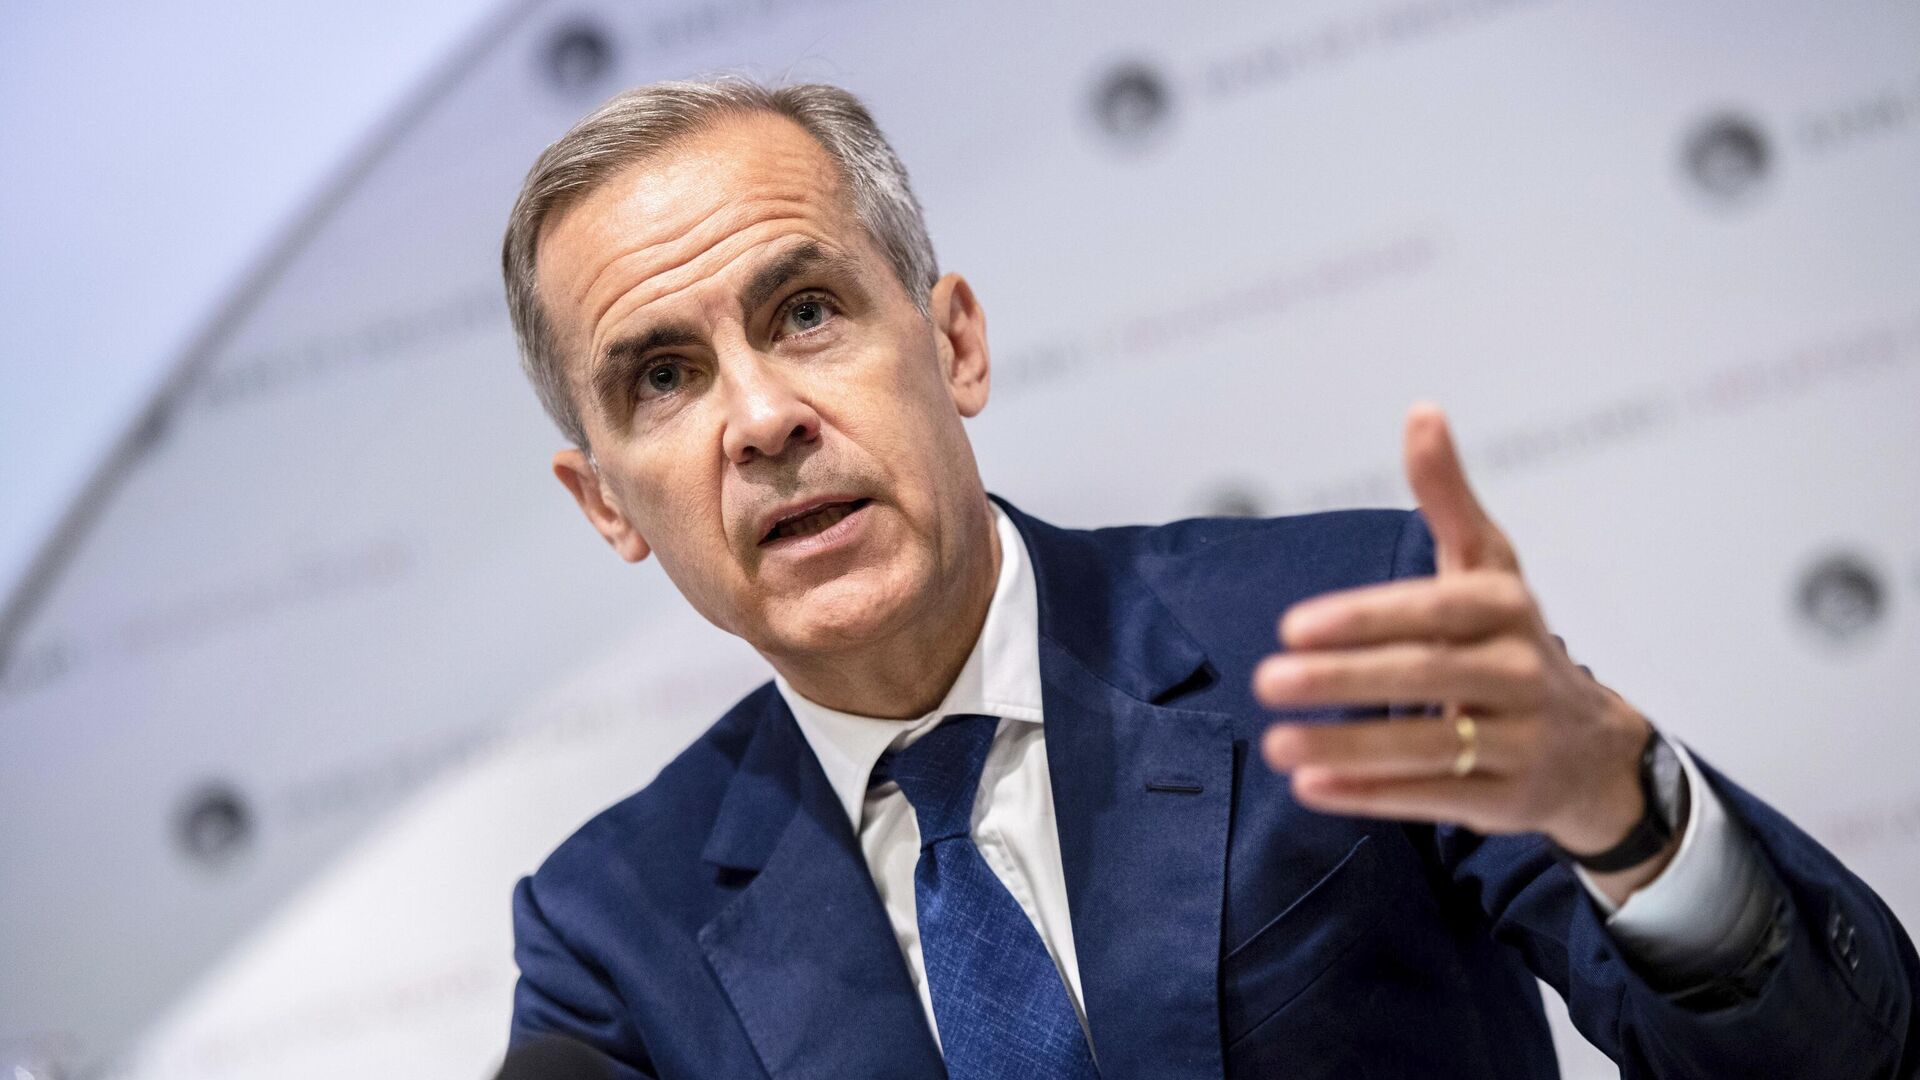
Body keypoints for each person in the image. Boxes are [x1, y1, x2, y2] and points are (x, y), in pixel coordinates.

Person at [498, 78, 1917, 1078]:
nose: (760, 420)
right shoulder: (615, 935)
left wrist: (1629, 815)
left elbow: (1841, 1060)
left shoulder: (1343, 635)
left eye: (807, 311)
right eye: (663, 377)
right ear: (607, 501)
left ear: (955, 345)